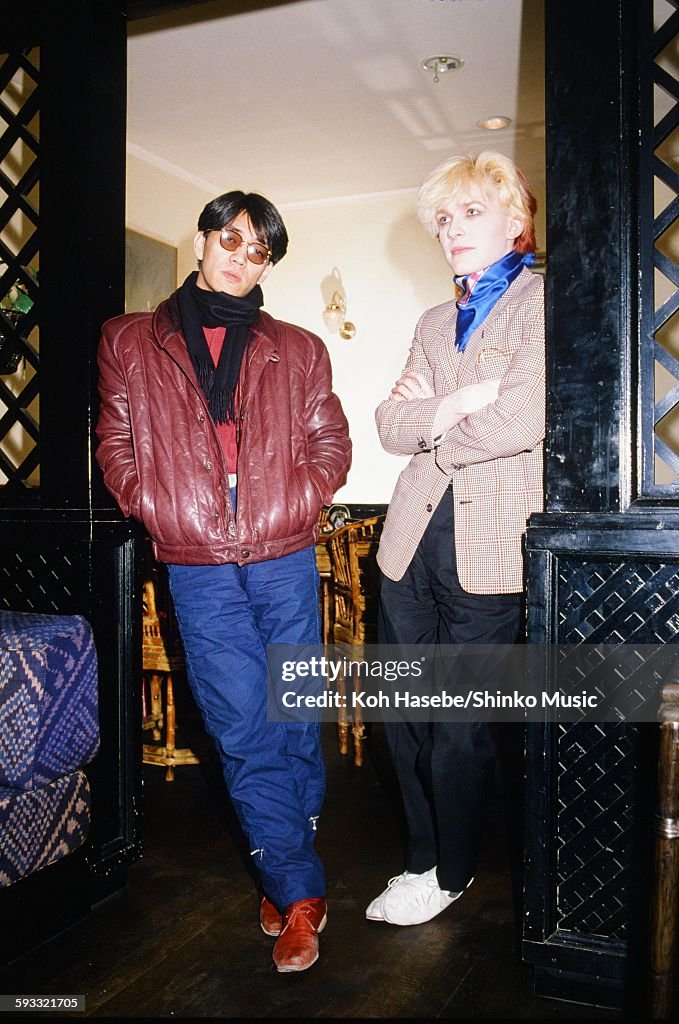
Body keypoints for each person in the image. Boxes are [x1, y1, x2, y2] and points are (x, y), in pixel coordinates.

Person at [96, 191, 352, 972]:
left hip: (282, 554)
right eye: (232, 240)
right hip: (196, 561)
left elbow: (330, 439)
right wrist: (152, 503)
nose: (243, 259)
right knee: (241, 723)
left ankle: (282, 859)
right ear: (204, 239)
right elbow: (114, 437)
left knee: (295, 713)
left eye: (261, 251)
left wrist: (300, 495)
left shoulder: (300, 346)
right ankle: (301, 893)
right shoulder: (130, 339)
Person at [367, 151, 545, 926]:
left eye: (470, 212)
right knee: (403, 709)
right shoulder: (432, 320)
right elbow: (386, 423)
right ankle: (419, 856)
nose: (451, 231)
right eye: (442, 219)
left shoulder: (546, 304)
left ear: (514, 220)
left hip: (490, 545)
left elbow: (522, 418)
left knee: (459, 716)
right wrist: (455, 403)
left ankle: (452, 871)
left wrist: (431, 417)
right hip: (407, 540)